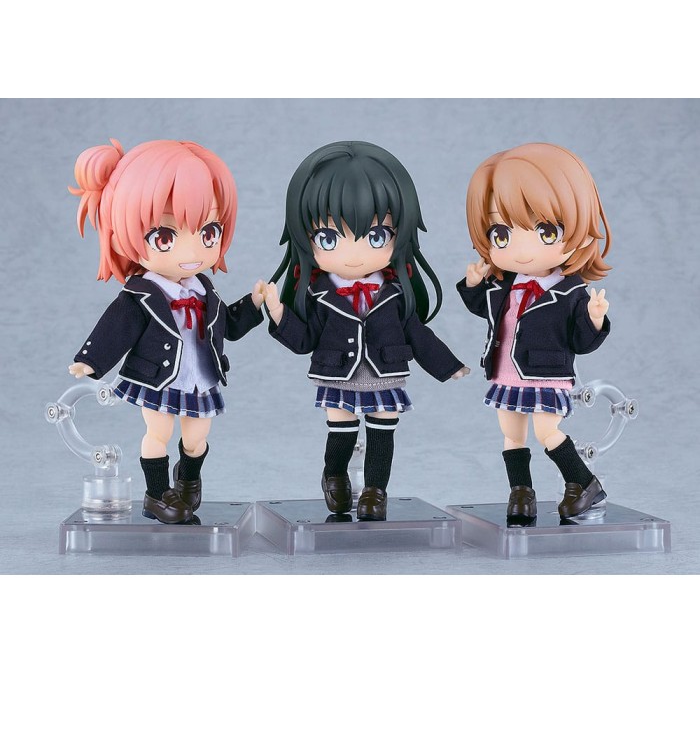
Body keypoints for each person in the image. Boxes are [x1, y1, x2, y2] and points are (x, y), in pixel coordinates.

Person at [264, 141, 468, 521]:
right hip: (337, 371)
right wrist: (278, 313)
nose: (354, 254)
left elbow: (417, 334)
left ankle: (376, 491)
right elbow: (304, 340)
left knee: (382, 431)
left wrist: (447, 365)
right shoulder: (319, 294)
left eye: (376, 237)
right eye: (329, 238)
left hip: (385, 371)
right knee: (340, 429)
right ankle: (335, 476)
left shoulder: (395, 293)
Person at [68, 139, 265, 523]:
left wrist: (254, 305)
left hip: (200, 376)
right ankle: (156, 494)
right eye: (165, 237)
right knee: (157, 433)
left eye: (208, 232)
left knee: (197, 437)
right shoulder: (141, 295)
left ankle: (188, 481)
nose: (191, 252)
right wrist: (91, 361)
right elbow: (116, 327)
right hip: (157, 376)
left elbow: (227, 325)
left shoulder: (204, 290)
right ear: (125, 237)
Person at [457, 142, 612, 523]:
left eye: (545, 231)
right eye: (501, 234)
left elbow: (581, 342)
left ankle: (583, 482)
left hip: (546, 372)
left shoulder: (570, 292)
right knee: (511, 434)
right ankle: (520, 492)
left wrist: (594, 319)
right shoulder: (504, 285)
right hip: (506, 371)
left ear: (578, 231)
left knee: (547, 431)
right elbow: (485, 311)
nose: (521, 249)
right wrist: (474, 284)